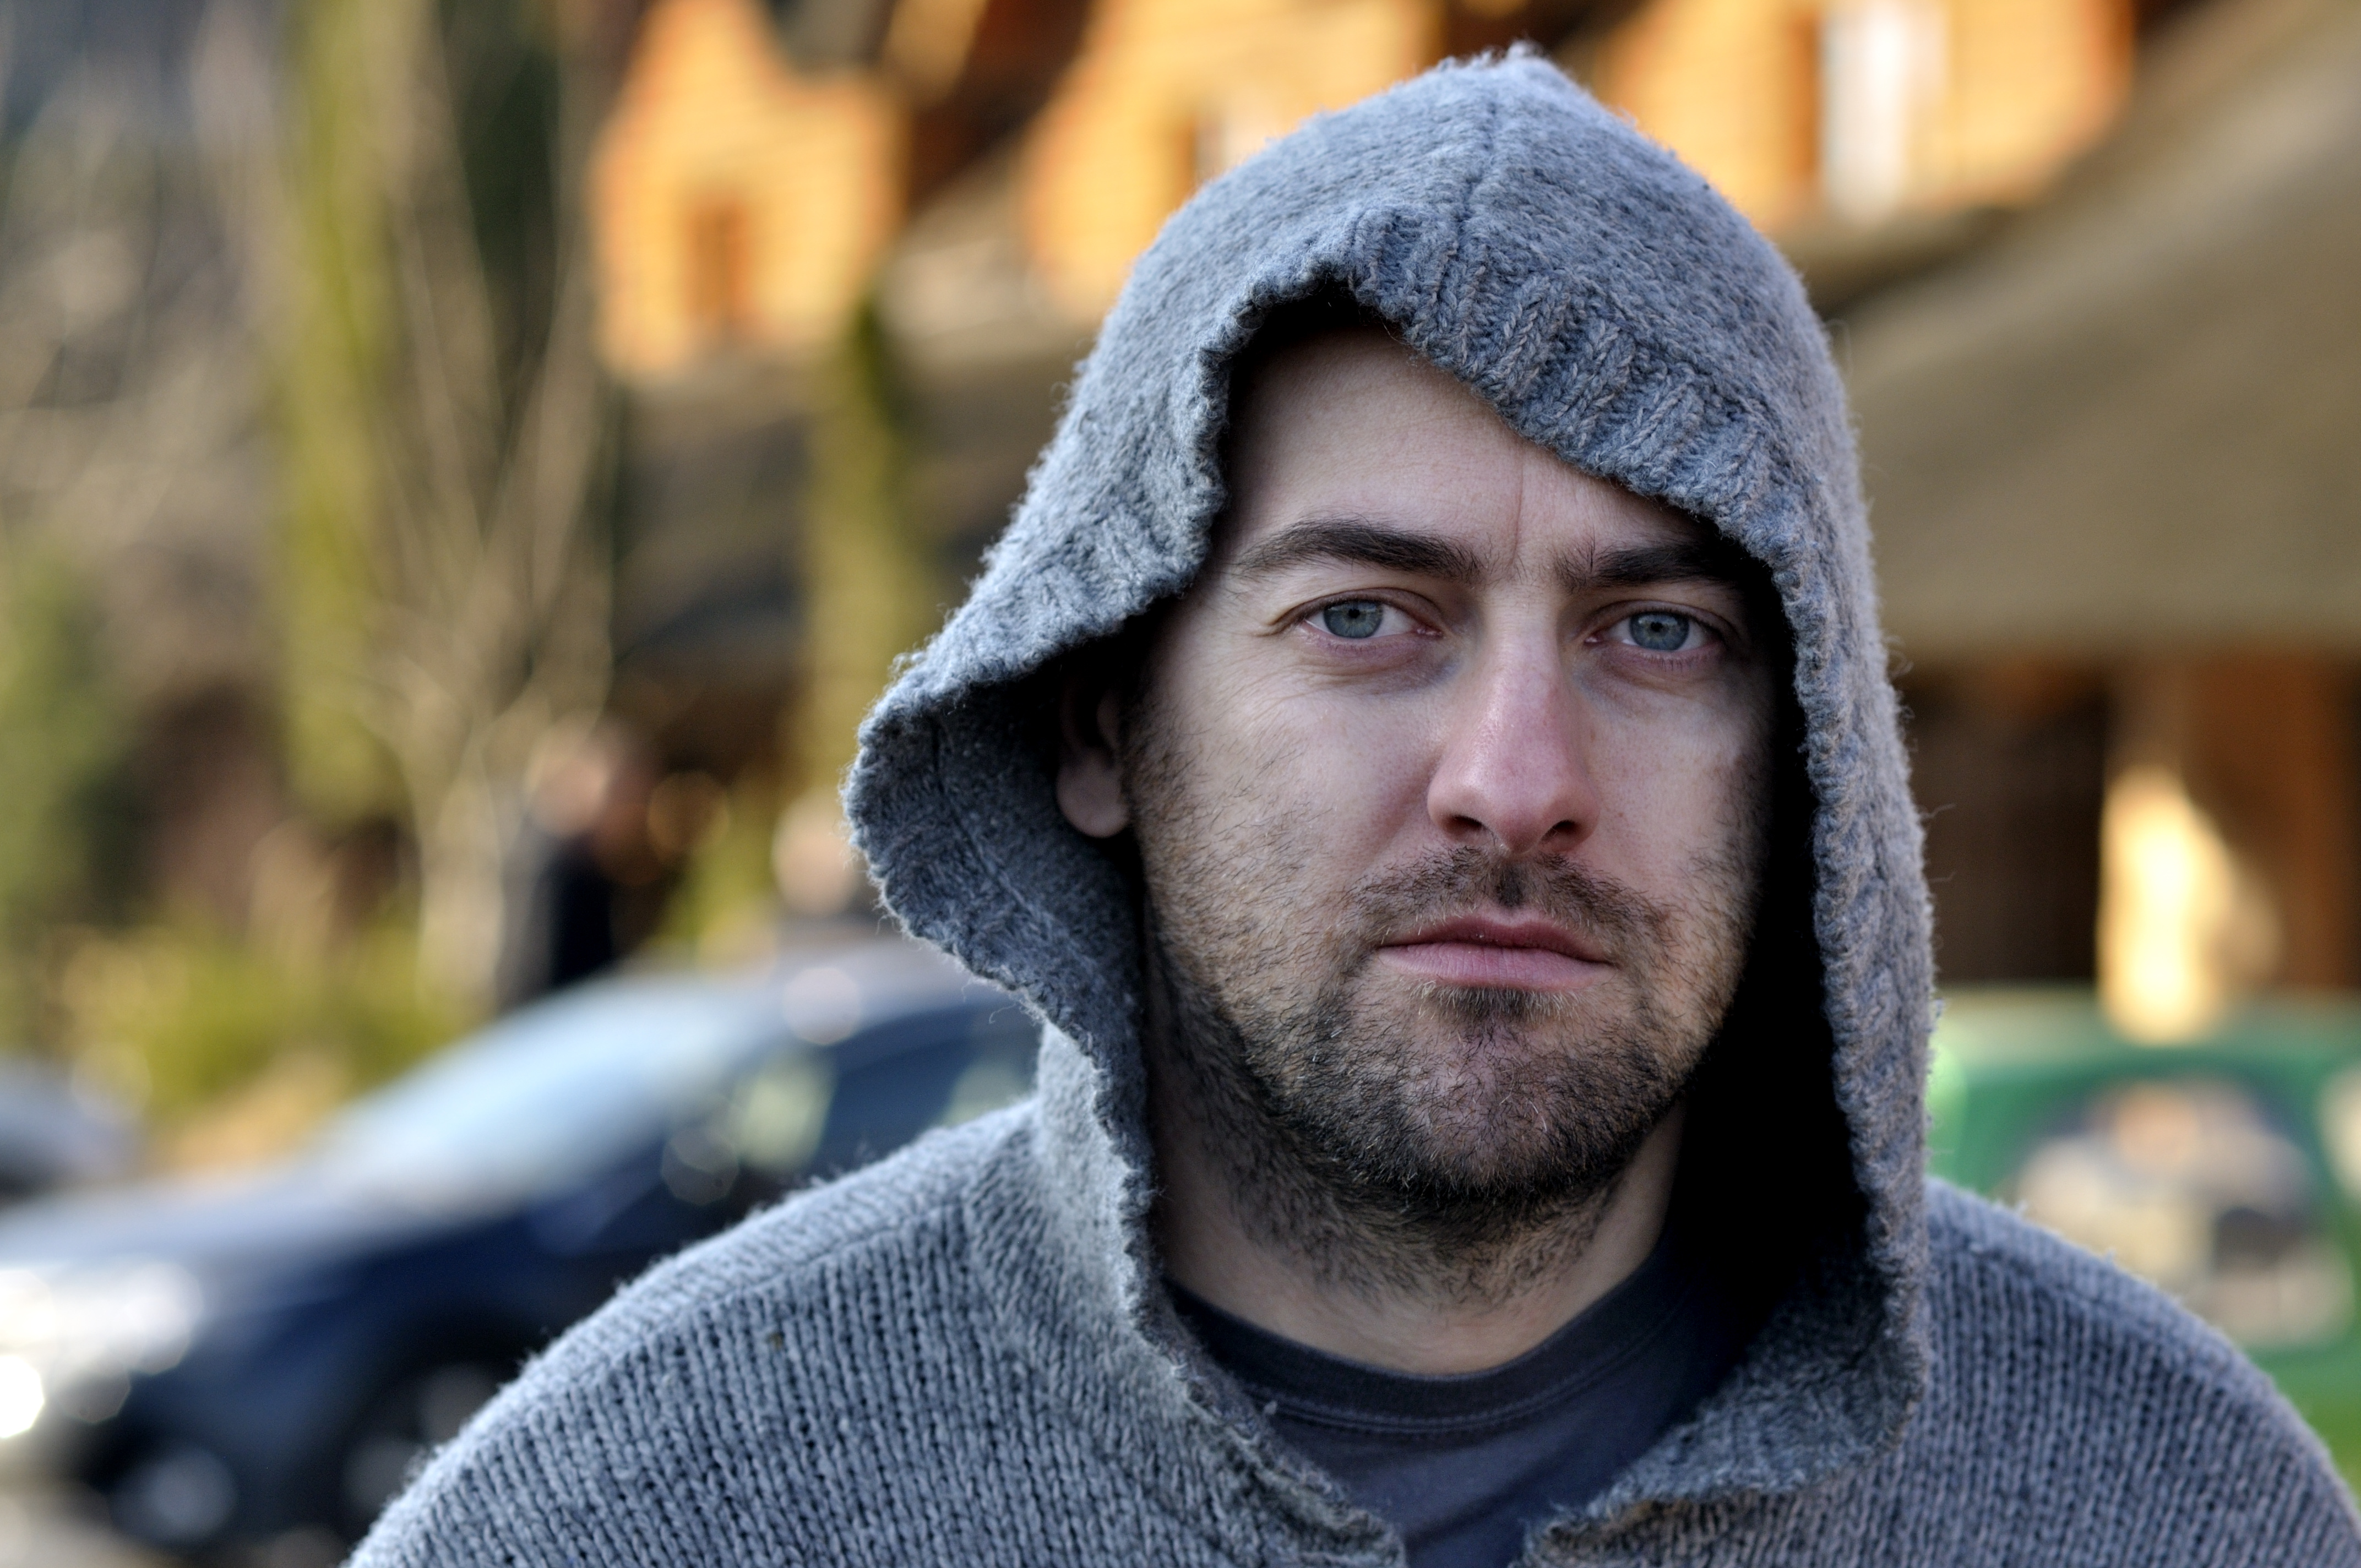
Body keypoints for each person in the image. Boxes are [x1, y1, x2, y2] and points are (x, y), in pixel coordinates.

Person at [355, 54, 2360, 1566]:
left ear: (1812, 753)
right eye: (1366, 618)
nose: (1518, 781)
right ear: (1099, 721)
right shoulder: (639, 1514)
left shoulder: (2171, 1507)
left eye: (1658, 635)